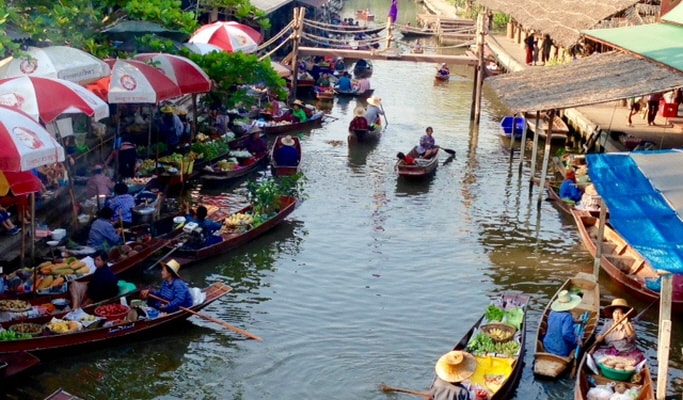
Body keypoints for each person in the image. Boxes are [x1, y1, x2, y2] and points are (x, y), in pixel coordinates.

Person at [595, 298, 644, 362]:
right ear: (612, 314)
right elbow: (600, 334)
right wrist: (598, 338)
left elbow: (632, 337)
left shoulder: (628, 324)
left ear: (624, 315)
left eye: (619, 313)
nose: (617, 316)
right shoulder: (608, 323)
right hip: (611, 349)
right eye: (615, 313)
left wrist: (625, 324)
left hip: (626, 351)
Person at [542, 290, 582, 357]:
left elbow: (556, 324)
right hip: (560, 350)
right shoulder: (567, 317)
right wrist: (577, 340)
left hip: (547, 345)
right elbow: (566, 334)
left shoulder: (552, 312)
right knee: (577, 339)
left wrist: (573, 321)